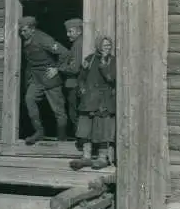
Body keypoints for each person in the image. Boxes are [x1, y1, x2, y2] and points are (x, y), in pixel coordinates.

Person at [19, 16, 70, 145]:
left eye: (24, 30)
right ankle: (39, 132)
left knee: (58, 111)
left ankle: (62, 138)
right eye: (21, 31)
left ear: (32, 29)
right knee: (29, 99)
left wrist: (57, 68)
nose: (22, 33)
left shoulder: (43, 39)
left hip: (50, 78)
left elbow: (65, 52)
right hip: (36, 79)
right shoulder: (24, 40)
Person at [70, 35, 116, 171]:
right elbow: (81, 78)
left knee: (103, 129)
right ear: (98, 46)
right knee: (85, 129)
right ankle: (86, 157)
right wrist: (82, 89)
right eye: (104, 45)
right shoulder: (89, 59)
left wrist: (103, 63)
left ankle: (102, 158)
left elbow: (111, 78)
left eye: (108, 45)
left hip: (104, 100)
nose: (106, 48)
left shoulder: (112, 61)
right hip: (89, 99)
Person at [58, 18, 84, 138]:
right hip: (74, 85)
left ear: (79, 31)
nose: (67, 34)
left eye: (70, 31)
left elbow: (75, 69)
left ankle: (81, 143)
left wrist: (61, 67)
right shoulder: (76, 44)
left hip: (74, 85)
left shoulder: (78, 45)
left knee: (74, 114)